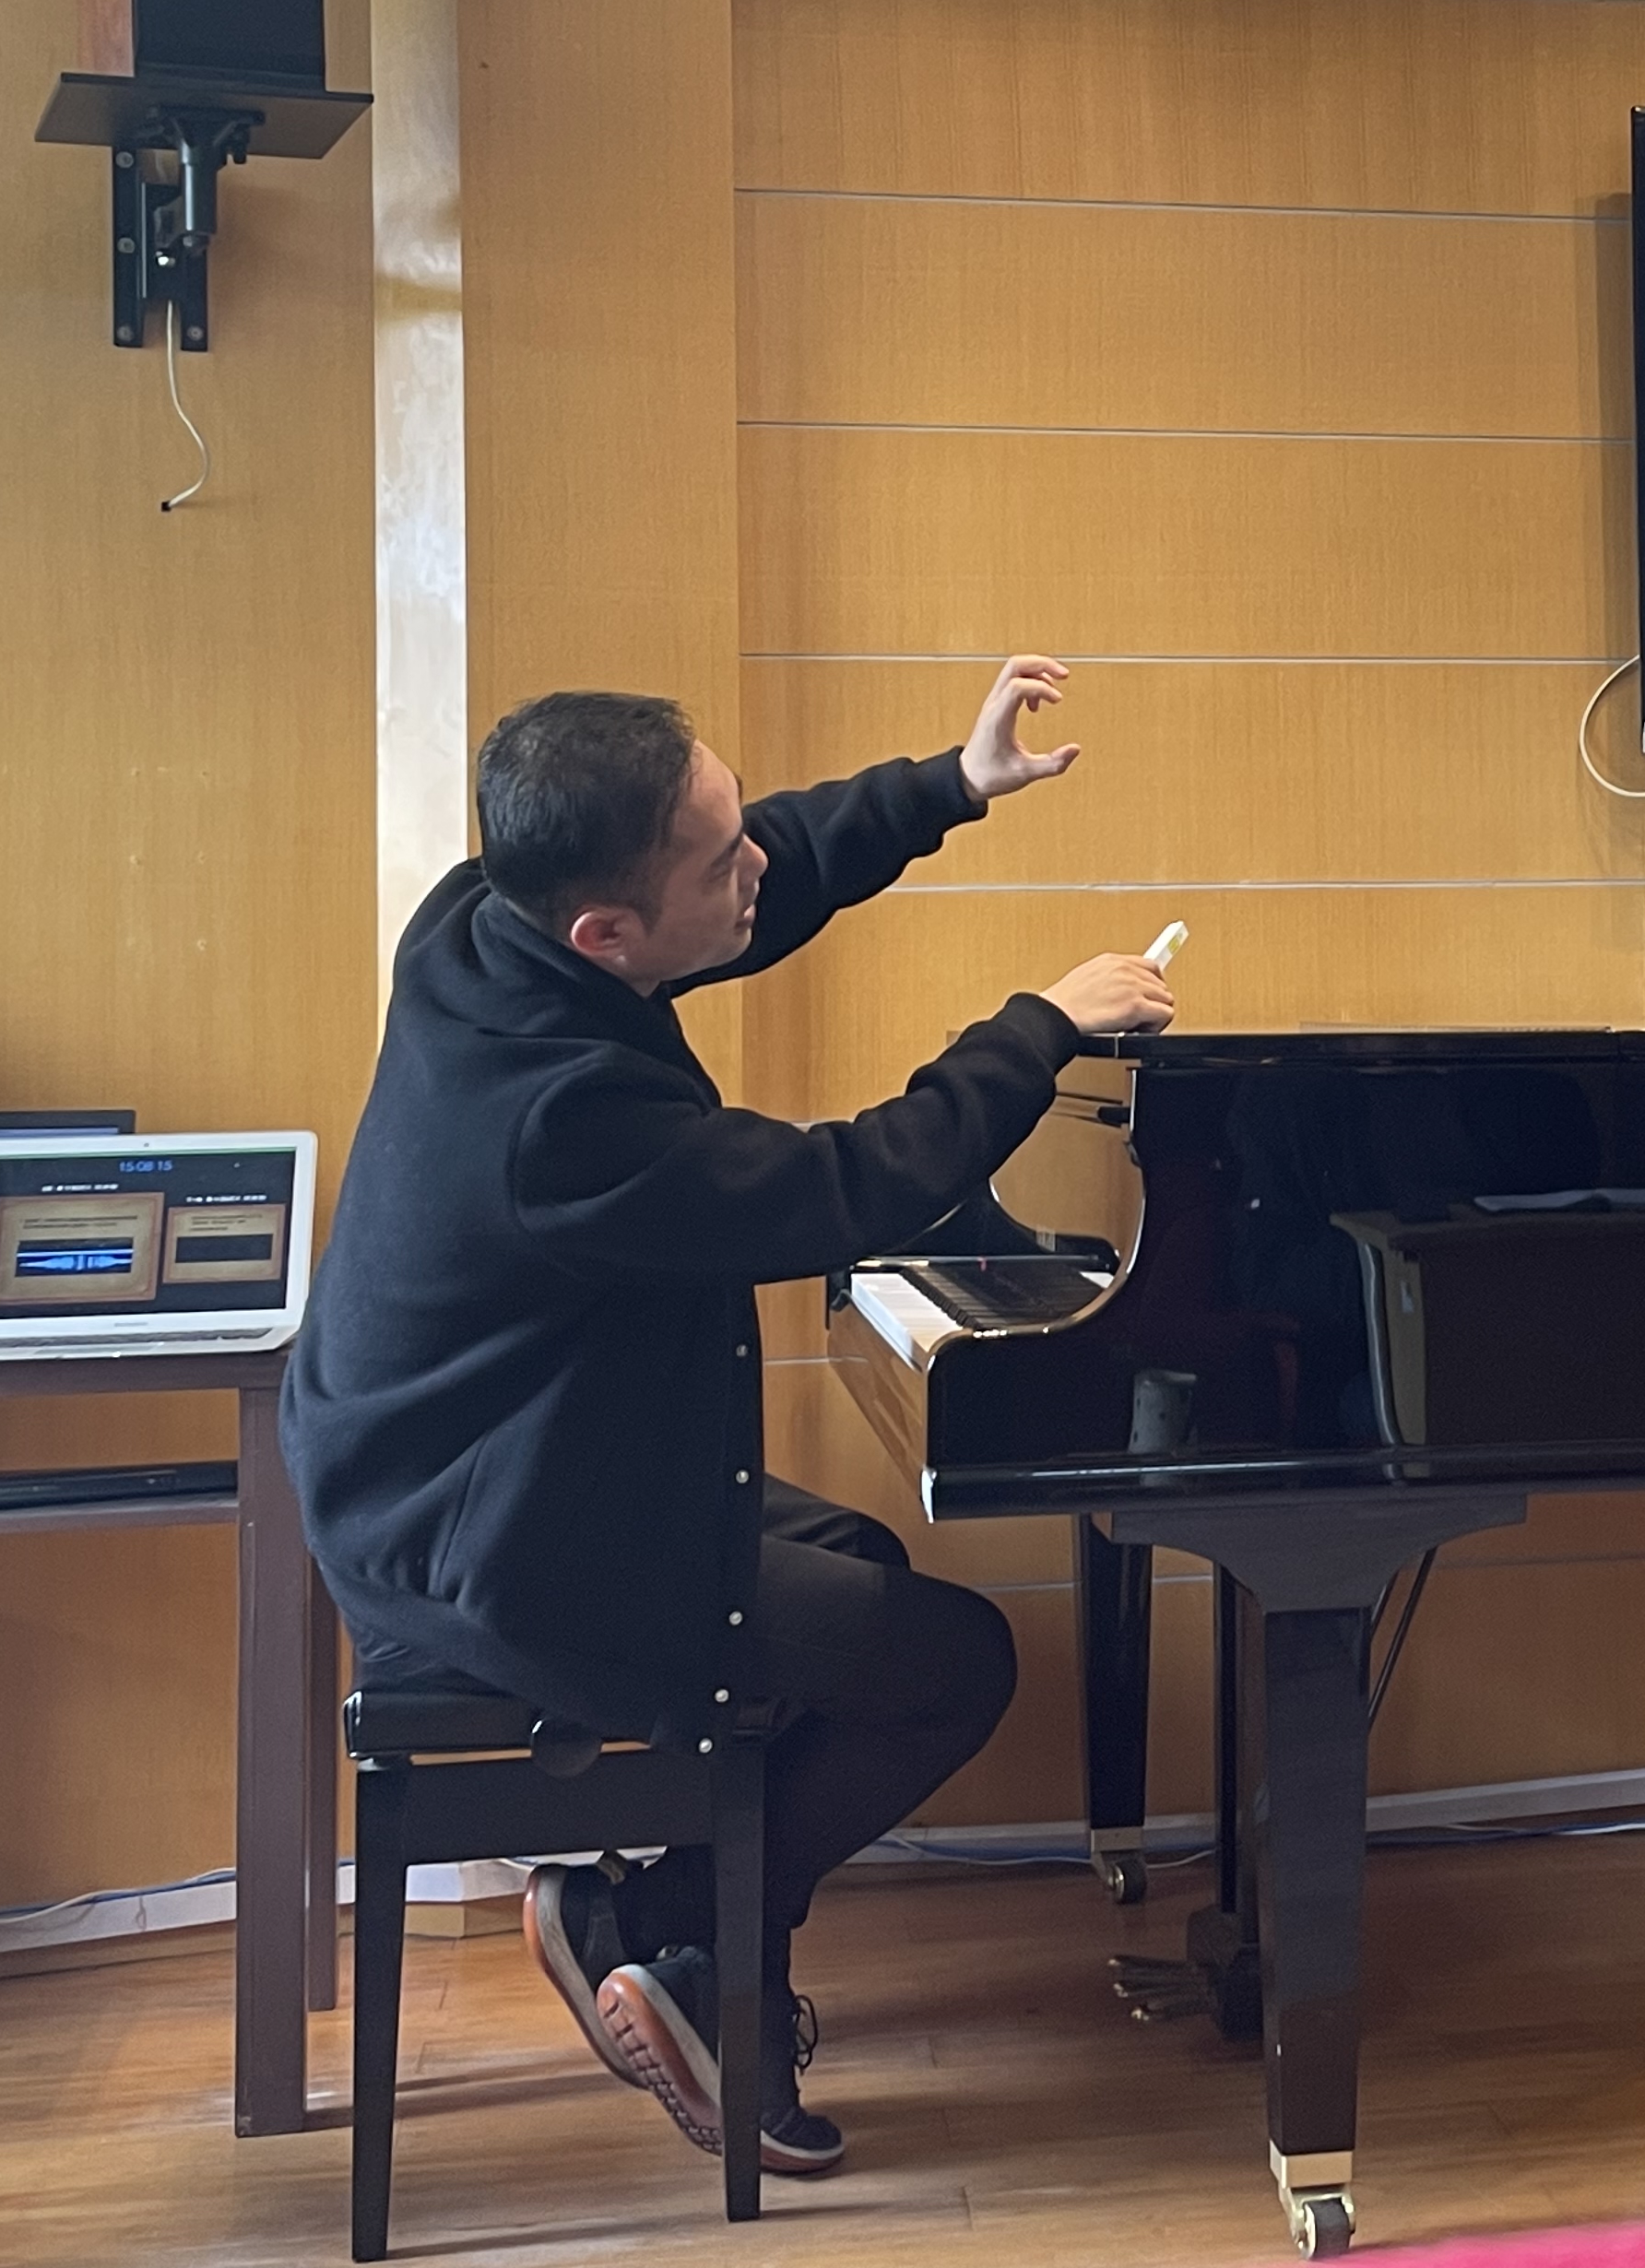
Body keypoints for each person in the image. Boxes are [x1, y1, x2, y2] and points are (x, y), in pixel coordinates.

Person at [279, 656, 1173, 2175]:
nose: (754, 856)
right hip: (492, 1544)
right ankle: (659, 1921)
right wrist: (1041, 1025)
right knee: (958, 1664)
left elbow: (767, 870)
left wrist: (948, 787)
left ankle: (701, 1966)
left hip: (463, 1466)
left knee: (864, 1567)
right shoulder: (560, 1121)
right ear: (607, 932)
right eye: (717, 856)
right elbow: (844, 1186)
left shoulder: (482, 920)